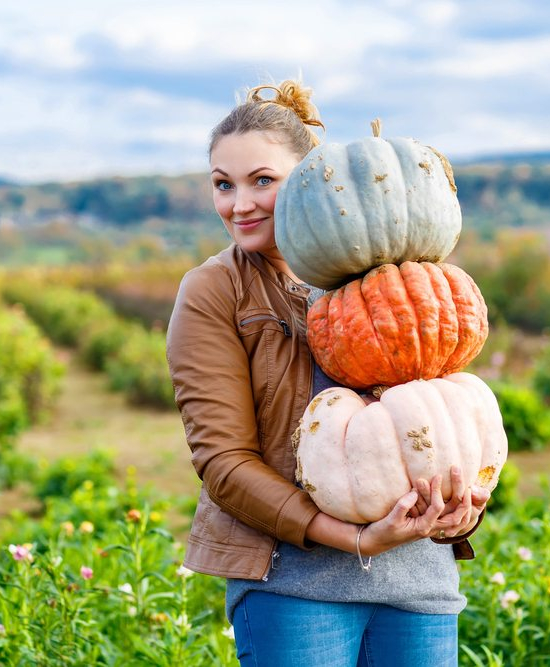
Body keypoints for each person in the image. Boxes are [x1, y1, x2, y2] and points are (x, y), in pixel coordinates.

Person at [165, 79, 491, 667]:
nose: (239, 204)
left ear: (313, 177)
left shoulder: (397, 274)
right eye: (223, 184)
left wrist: (464, 504)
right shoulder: (215, 291)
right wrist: (357, 539)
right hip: (294, 588)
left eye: (263, 180)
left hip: (419, 583)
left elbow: (450, 420)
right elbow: (223, 463)